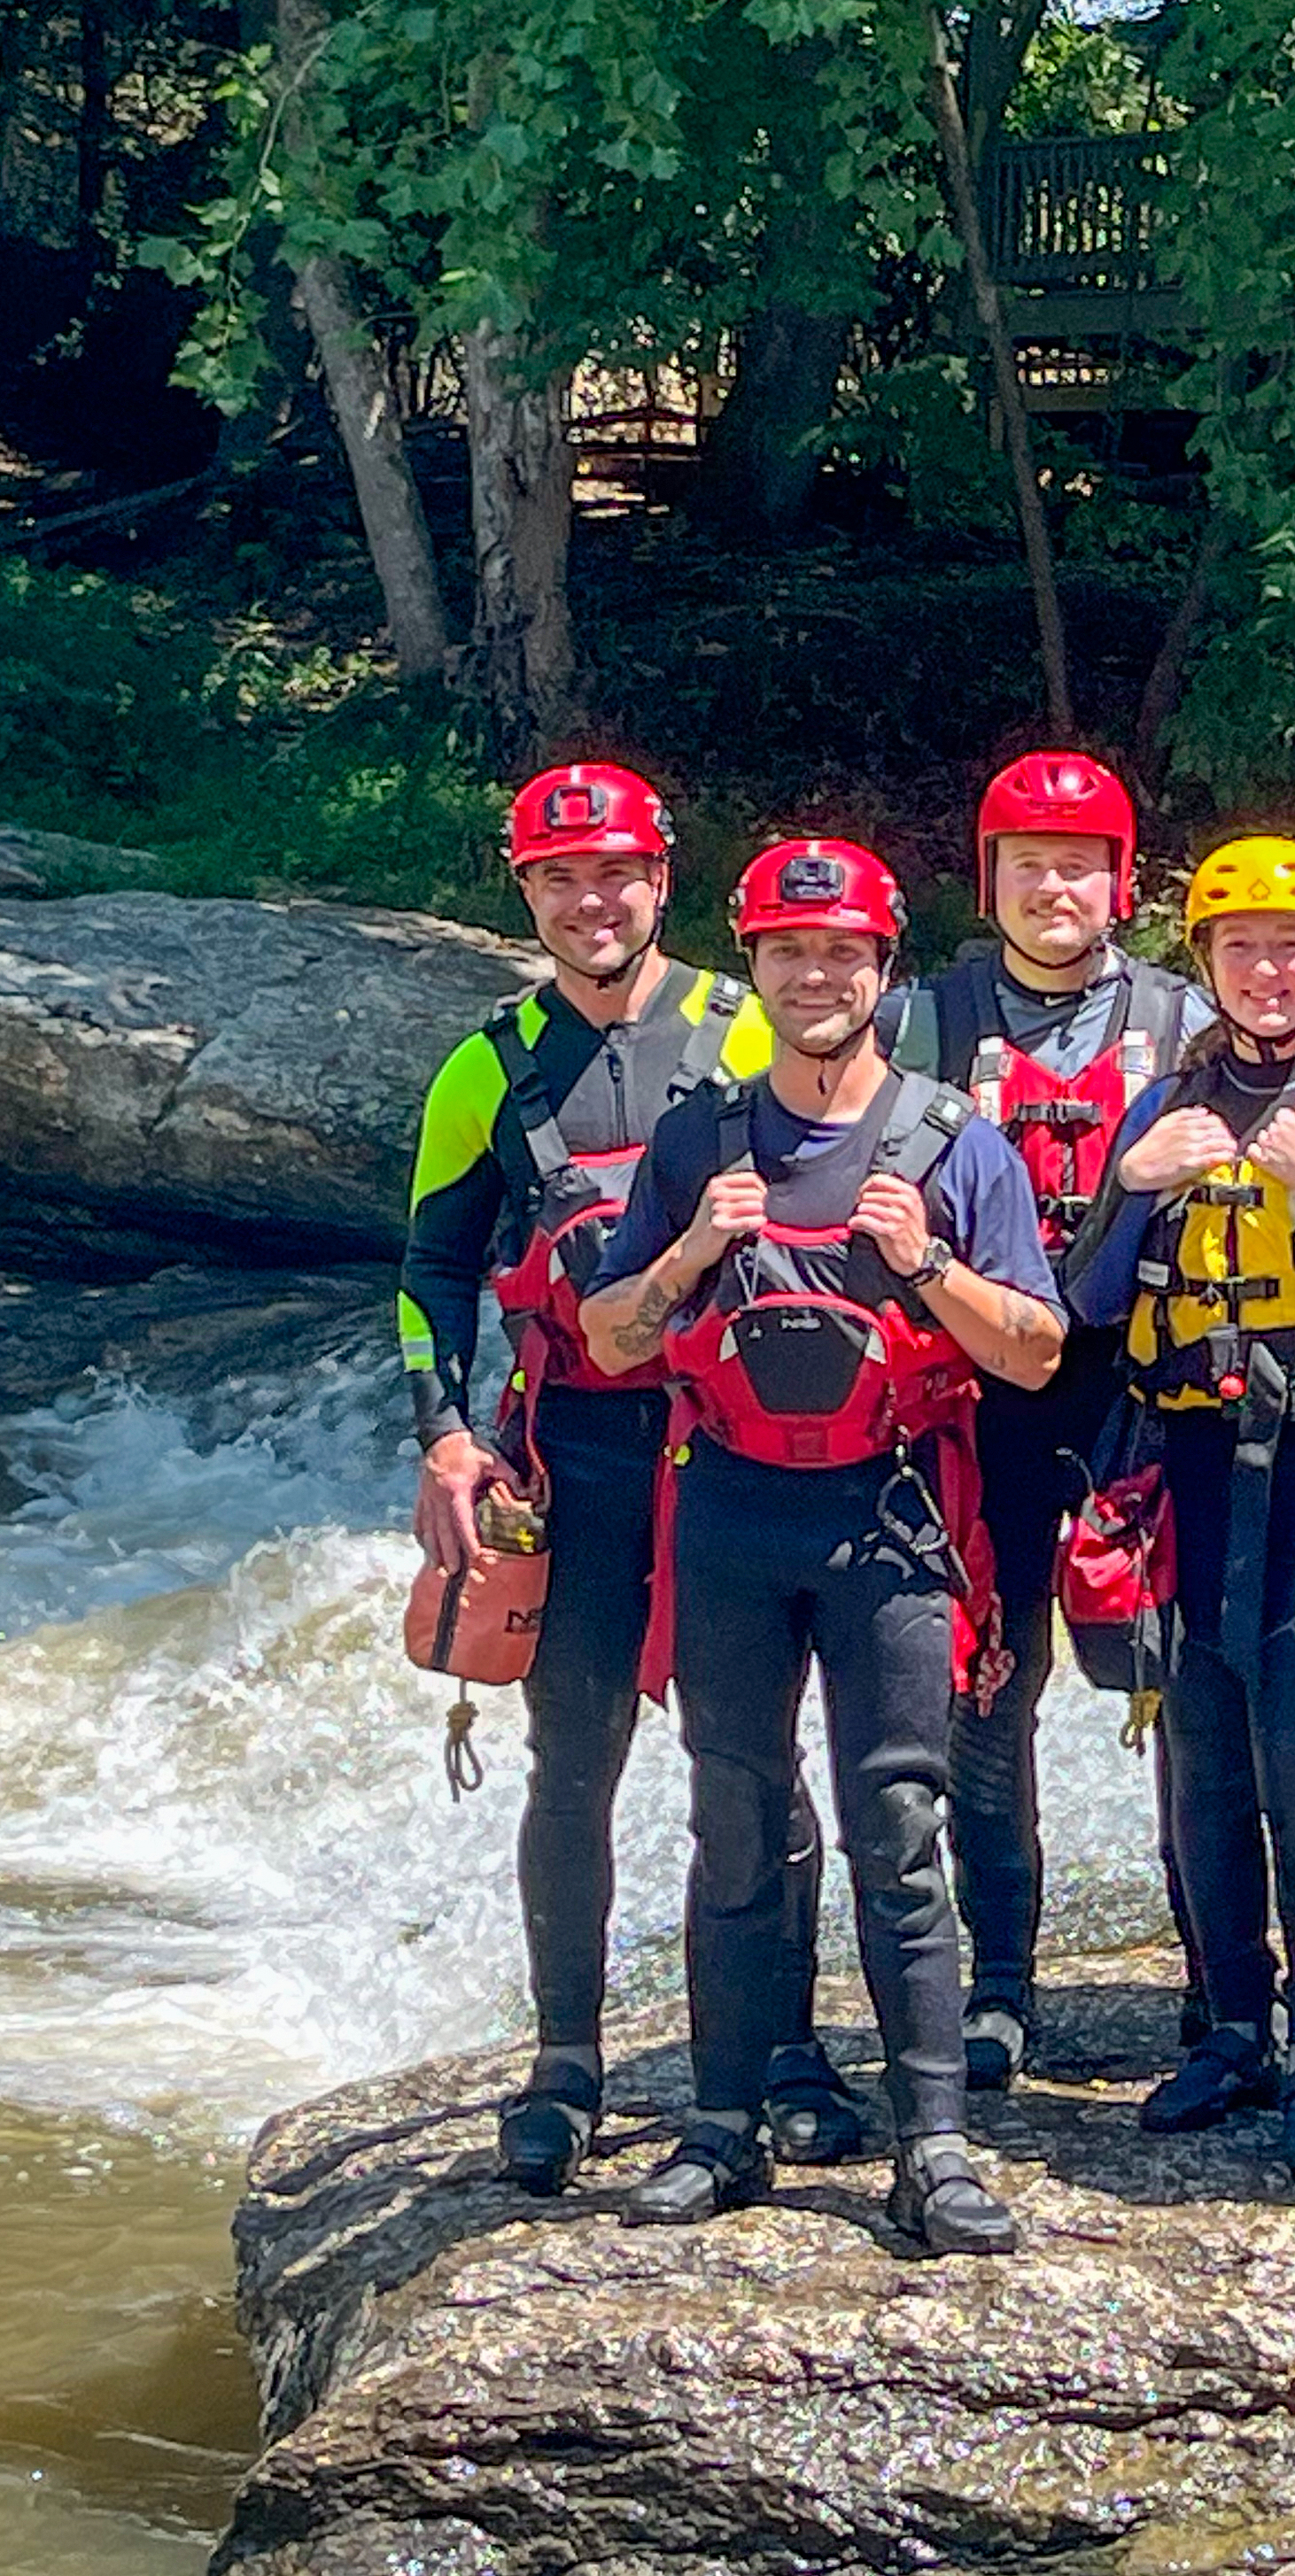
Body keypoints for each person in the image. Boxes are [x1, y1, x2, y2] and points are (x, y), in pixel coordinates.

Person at [581, 839, 1064, 2255]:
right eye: (789, 954)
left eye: (842, 953)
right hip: (731, 1511)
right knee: (732, 1816)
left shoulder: (951, 1141)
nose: (815, 976)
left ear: (882, 967)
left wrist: (925, 1263)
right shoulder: (699, 1140)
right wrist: (682, 1259)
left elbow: (1035, 1355)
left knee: (897, 1829)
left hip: (890, 1516)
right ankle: (724, 2124)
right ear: (756, 968)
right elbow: (612, 1337)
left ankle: (935, 2149)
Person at [395, 764, 858, 2194]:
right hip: (577, 1454)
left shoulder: (743, 1024)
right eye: (557, 880)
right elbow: (429, 1269)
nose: (591, 903)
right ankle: (567, 2063)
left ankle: (783, 2050)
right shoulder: (488, 1066)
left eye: (616, 874)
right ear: (525, 894)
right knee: (574, 1761)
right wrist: (447, 1433)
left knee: (760, 1762)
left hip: (732, 1449)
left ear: (663, 879)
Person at [1065, 838, 1295, 2178]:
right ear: (1207, 968)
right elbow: (1095, 1305)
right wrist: (1133, 1186)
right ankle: (1231, 2028)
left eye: (1293, 949)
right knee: (1200, 1771)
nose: (1268, 972)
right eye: (1240, 950)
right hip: (1196, 1468)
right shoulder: (1161, 1104)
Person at [886, 751, 1208, 2091]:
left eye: (1081, 865)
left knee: (1185, 1680)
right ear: (992, 879)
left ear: (1122, 882)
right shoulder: (924, 1019)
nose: (1057, 887)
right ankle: (1002, 1985)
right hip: (985, 1391)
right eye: (1031, 865)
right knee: (988, 1684)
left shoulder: (1183, 1018)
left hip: (1144, 1384)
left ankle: (1218, 1971)